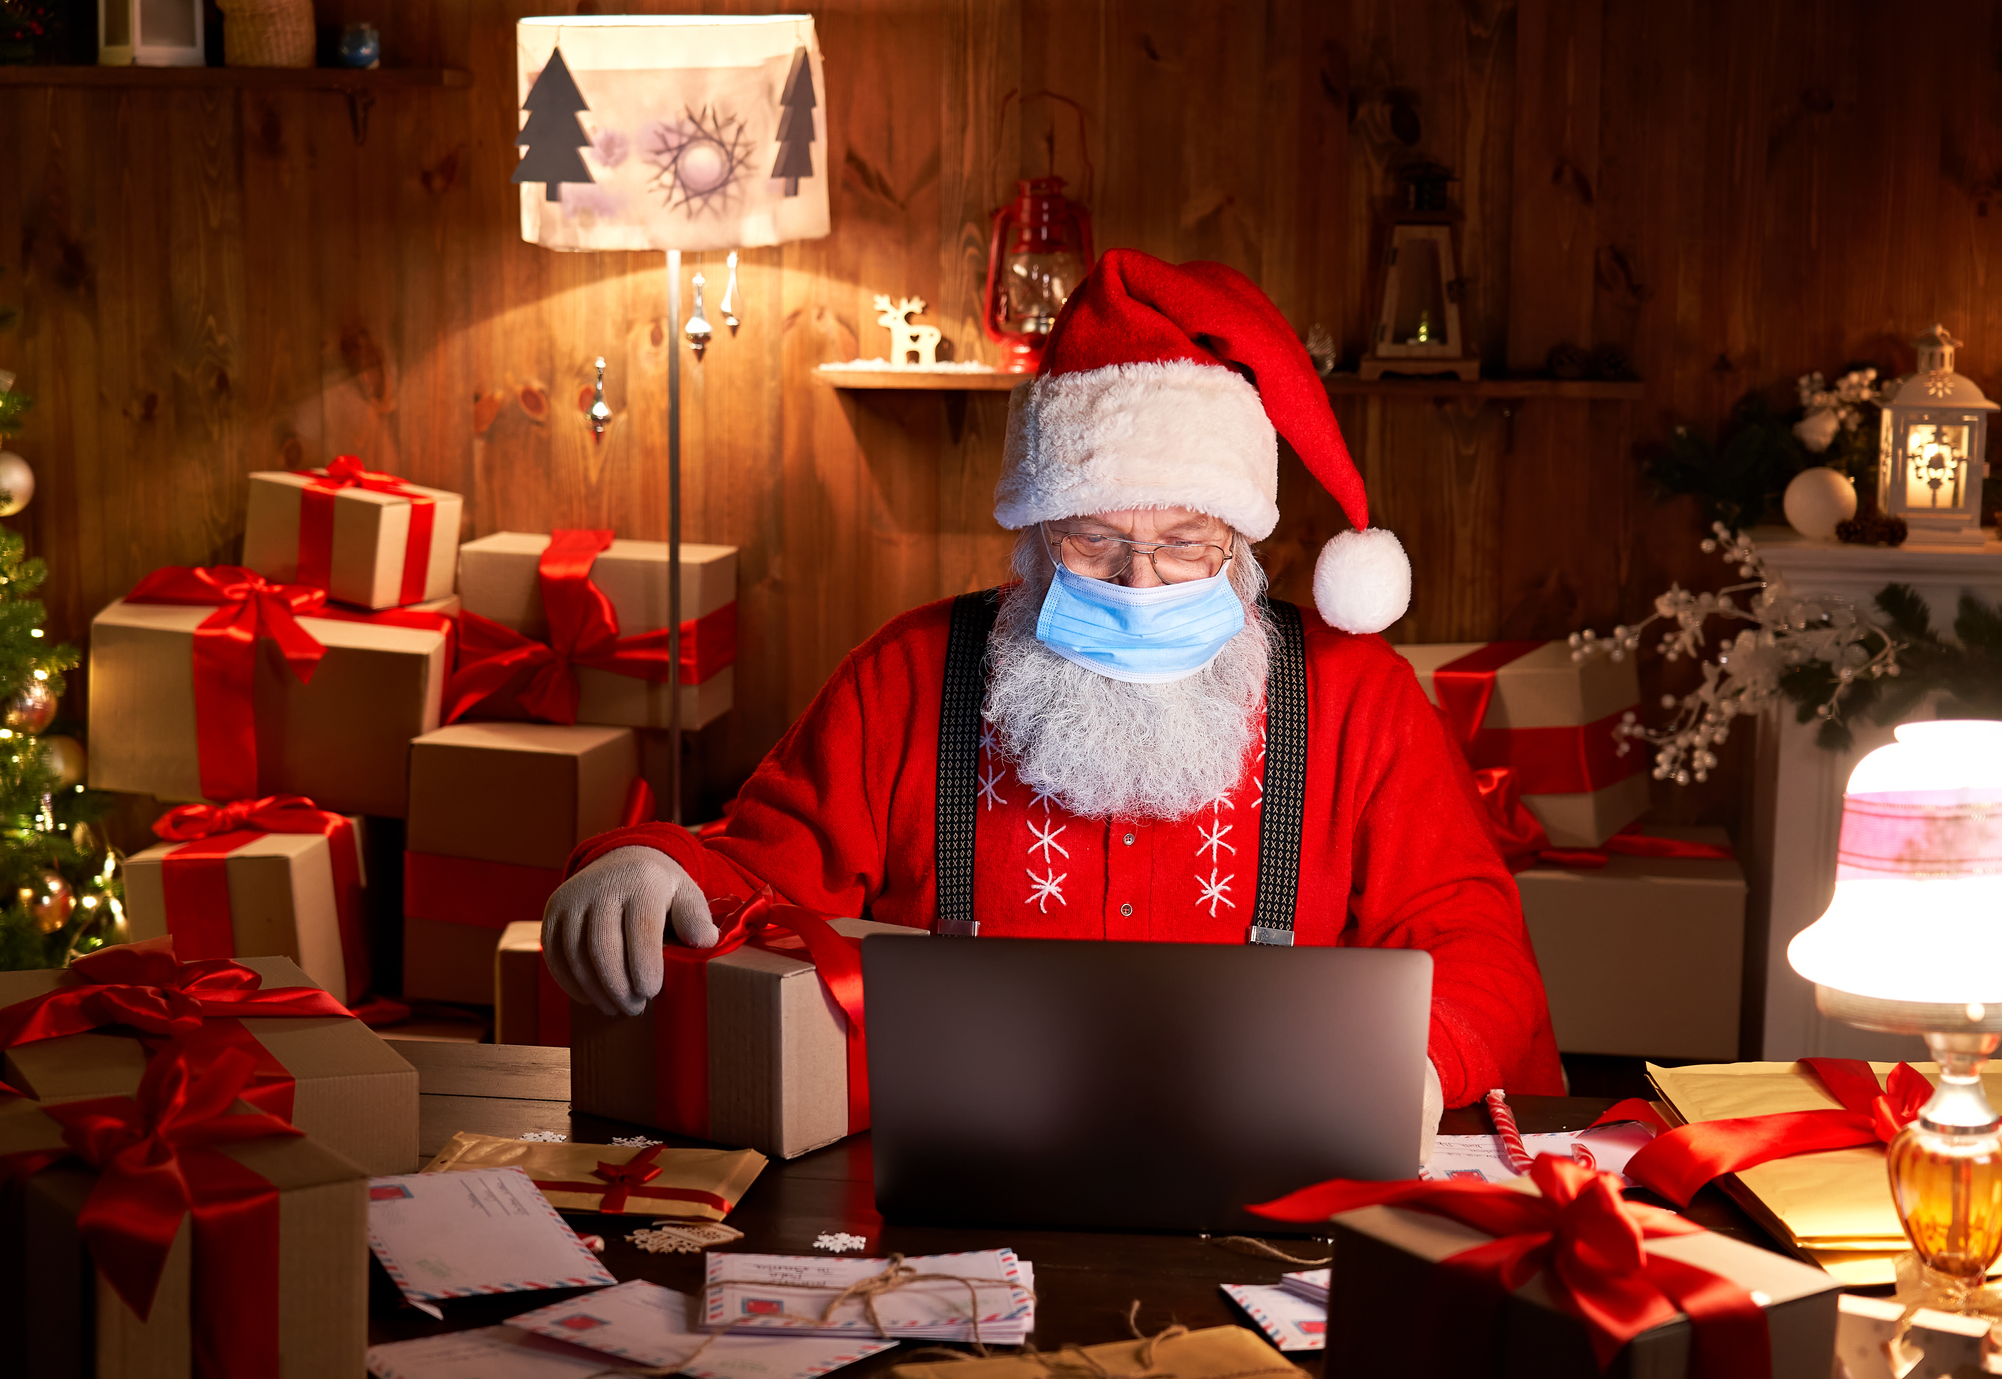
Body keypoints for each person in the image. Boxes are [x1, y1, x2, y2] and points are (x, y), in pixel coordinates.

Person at [543, 249, 1565, 1132]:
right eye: (1095, 540)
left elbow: (1476, 943)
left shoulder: (1358, 700)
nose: (1137, 582)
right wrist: (651, 863)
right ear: (1035, 535)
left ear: (1244, 542)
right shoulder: (910, 674)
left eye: (1184, 545)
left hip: (1269, 1188)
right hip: (942, 1181)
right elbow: (765, 873)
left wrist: (1413, 1069)